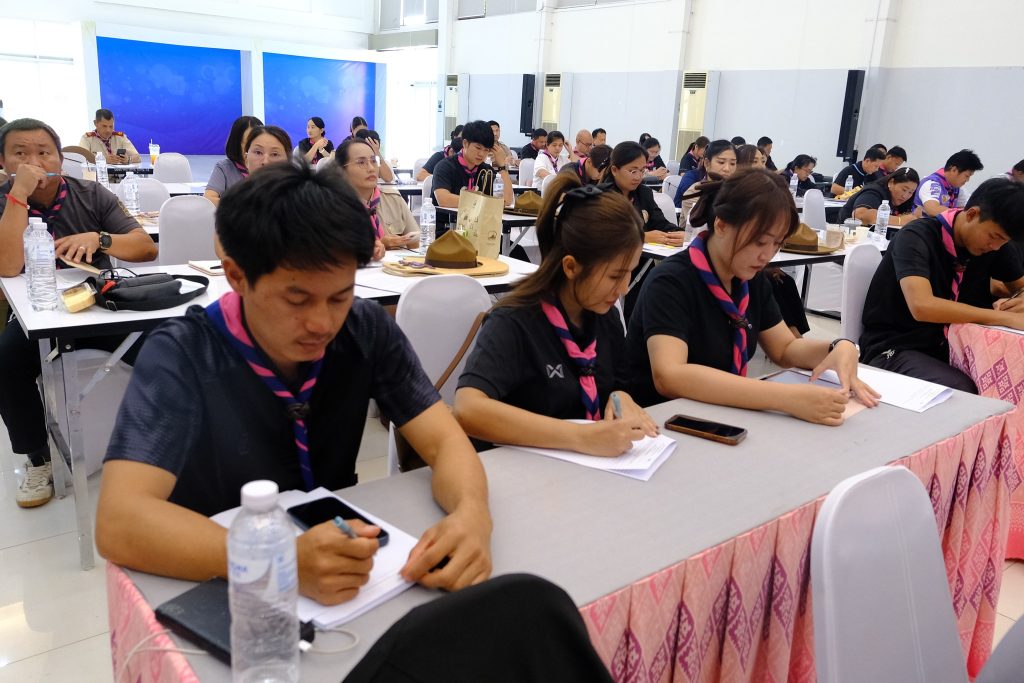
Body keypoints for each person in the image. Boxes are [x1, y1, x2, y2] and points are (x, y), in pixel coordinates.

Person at [95, 160, 493, 604]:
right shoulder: (184, 353)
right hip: (212, 580)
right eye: (296, 300)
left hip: (342, 571)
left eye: (339, 296)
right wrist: (274, 559)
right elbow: (120, 521)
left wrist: (472, 516)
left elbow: (444, 440)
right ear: (237, 276)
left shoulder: (364, 327)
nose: (322, 323)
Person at [627, 168, 879, 423]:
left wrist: (837, 347)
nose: (767, 255)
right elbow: (670, 376)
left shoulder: (749, 278)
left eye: (777, 243)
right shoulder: (672, 281)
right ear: (721, 225)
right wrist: (784, 398)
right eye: (759, 242)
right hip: (659, 421)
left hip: (719, 414)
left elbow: (785, 348)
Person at [0, 118, 158, 508]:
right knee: (6, 361)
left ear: (60, 157)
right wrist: (18, 195)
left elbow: (145, 248)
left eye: (44, 152)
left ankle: (163, 440)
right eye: (20, 153)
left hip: (98, 305)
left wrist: (101, 239)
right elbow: (7, 266)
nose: (34, 161)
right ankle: (38, 458)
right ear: (3, 162)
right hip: (36, 311)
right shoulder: (4, 199)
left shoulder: (90, 193)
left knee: (163, 348)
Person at [453, 175, 658, 454]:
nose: (623, 289)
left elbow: (618, 384)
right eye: (614, 276)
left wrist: (621, 398)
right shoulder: (514, 321)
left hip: (585, 469)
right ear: (571, 267)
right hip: (519, 469)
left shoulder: (604, 316)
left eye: (630, 273)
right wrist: (581, 438)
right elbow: (468, 409)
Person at [859, 177, 1024, 392]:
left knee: (1008, 379)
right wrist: (1005, 318)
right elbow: (922, 306)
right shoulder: (916, 236)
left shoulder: (996, 246)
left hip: (956, 347)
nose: (995, 247)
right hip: (897, 346)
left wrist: (1018, 301)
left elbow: (1020, 286)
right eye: (994, 237)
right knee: (962, 391)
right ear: (972, 214)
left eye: (1004, 241)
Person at [431, 120, 513, 234]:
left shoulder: (485, 170)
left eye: (486, 150)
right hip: (447, 231)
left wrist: (502, 166)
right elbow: (443, 199)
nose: (481, 154)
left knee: (513, 246)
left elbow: (507, 200)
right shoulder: (445, 166)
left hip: (477, 232)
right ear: (465, 143)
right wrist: (485, 203)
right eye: (478, 148)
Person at [337, 138, 418, 251]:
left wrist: (410, 241)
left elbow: (417, 242)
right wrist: (377, 245)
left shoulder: (393, 198)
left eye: (374, 161)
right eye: (361, 162)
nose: (371, 168)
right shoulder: (332, 206)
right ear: (341, 171)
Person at [601, 141, 681, 245]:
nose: (638, 177)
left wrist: (679, 234)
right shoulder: (602, 196)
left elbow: (661, 223)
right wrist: (642, 237)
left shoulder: (644, 193)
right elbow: (605, 235)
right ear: (615, 170)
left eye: (642, 171)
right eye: (633, 171)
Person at [204, 115, 263, 207]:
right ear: (237, 143)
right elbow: (209, 199)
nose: (253, 148)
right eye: (248, 143)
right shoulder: (224, 168)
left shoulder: (271, 167)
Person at [838, 167, 920, 227]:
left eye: (910, 192)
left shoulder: (903, 201)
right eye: (904, 189)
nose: (905, 196)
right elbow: (859, 215)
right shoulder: (874, 191)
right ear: (891, 182)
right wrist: (900, 220)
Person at [912, 149, 984, 217]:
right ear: (954, 170)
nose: (967, 180)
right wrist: (962, 212)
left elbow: (967, 208)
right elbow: (933, 210)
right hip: (921, 224)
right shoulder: (932, 183)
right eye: (967, 176)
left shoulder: (957, 188)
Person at [674, 139, 736, 208]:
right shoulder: (694, 193)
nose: (727, 169)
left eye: (732, 163)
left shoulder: (735, 190)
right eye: (721, 162)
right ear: (707, 163)